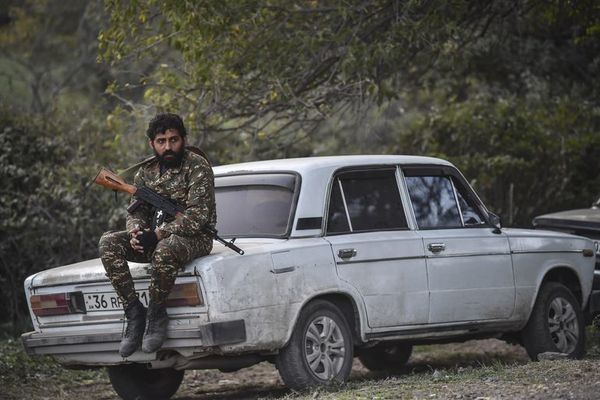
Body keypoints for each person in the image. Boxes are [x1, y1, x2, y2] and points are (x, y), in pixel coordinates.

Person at [99, 113, 216, 357]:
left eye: (174, 140)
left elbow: (197, 218)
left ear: (183, 139)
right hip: (156, 234)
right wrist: (136, 233)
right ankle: (134, 313)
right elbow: (136, 211)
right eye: (161, 141)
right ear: (152, 143)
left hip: (195, 237)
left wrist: (158, 234)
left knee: (164, 250)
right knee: (108, 242)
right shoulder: (145, 172)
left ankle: (156, 313)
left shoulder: (197, 166)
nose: (168, 146)